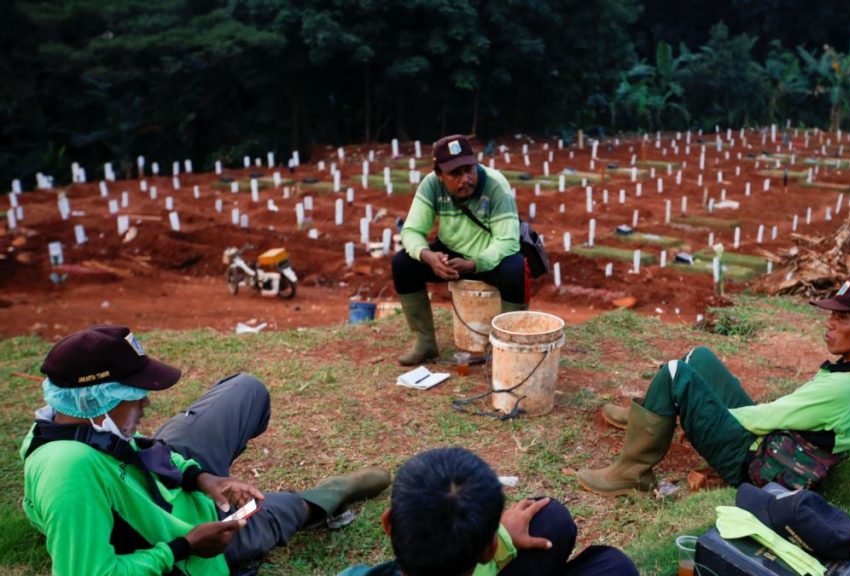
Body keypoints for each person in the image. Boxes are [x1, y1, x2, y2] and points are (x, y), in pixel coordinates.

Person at [21, 325, 392, 575]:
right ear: (96, 400)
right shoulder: (68, 472)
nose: (146, 403)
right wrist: (185, 546)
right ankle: (327, 495)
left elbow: (138, 449)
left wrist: (201, 477)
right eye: (135, 396)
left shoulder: (73, 422)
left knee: (245, 390)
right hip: (198, 542)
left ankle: (205, 476)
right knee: (279, 510)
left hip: (164, 479)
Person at [577, 280, 850, 496]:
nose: (829, 324)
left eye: (842, 318)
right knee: (700, 357)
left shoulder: (844, 390)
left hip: (756, 463)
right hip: (780, 439)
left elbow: (766, 416)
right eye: (832, 315)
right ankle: (650, 419)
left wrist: (708, 420)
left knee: (675, 372)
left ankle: (631, 474)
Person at [339, 447, 638, 576]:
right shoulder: (489, 557)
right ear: (489, 549)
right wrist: (504, 537)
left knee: (549, 518)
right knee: (613, 566)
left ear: (388, 523)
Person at [391, 134, 527, 365]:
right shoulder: (431, 185)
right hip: (451, 252)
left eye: (469, 170)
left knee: (515, 268)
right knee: (403, 264)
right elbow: (411, 231)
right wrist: (429, 256)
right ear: (439, 175)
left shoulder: (495, 184)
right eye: (455, 174)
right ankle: (424, 342)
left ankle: (507, 343)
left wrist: (474, 263)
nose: (466, 179)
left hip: (487, 255)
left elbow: (507, 241)